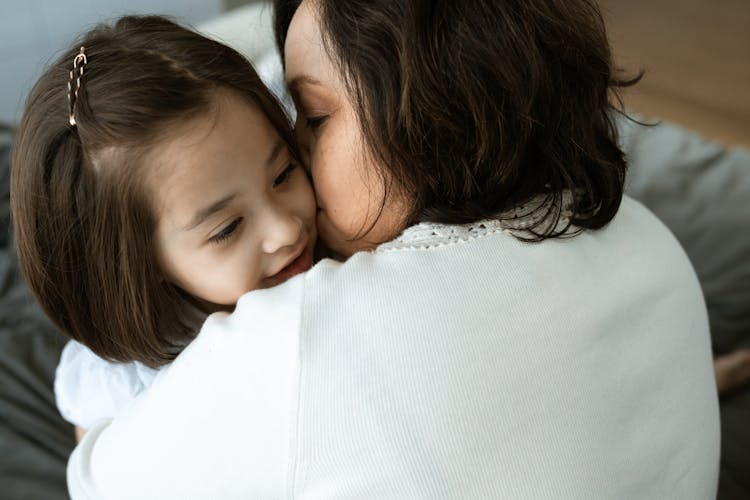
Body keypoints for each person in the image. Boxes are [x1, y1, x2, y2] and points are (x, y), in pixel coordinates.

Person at [64, 0, 719, 498]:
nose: (299, 149)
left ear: (429, 109)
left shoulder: (299, 339)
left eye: (313, 116)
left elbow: (96, 477)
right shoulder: (646, 238)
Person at [10, 16, 317, 433]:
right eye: (227, 229)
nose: (287, 229)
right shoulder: (126, 392)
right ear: (140, 269)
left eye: (283, 174)